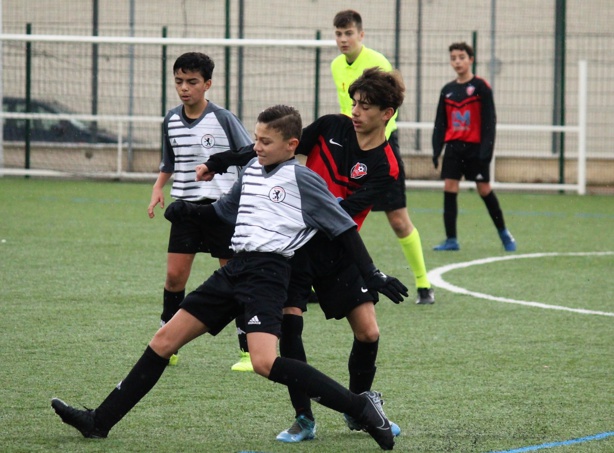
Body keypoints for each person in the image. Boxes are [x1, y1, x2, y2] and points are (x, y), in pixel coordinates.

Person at [51, 104, 400, 451]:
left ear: (292, 145)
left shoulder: (303, 179)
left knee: (264, 362)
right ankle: (99, 422)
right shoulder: (250, 172)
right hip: (234, 269)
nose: (257, 147)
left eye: (265, 142)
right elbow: (221, 214)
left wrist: (372, 274)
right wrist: (189, 211)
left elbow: (344, 229)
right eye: (256, 139)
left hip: (268, 274)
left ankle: (360, 408)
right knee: (163, 341)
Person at [196, 67, 411, 442]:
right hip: (291, 247)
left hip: (338, 250)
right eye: (355, 102)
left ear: (386, 114)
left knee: (369, 332)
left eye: (365, 106)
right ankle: (304, 419)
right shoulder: (331, 126)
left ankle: (359, 406)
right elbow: (279, 143)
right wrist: (219, 162)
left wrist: (372, 273)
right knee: (290, 329)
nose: (355, 110)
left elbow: (340, 215)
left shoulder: (386, 164)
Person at [146, 52, 253, 368]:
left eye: (192, 82)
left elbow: (248, 154)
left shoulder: (223, 118)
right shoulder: (170, 119)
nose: (184, 88)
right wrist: (157, 188)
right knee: (174, 277)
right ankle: (168, 343)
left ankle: (248, 348)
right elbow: (170, 161)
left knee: (233, 276)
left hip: (222, 211)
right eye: (179, 81)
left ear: (207, 84)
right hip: (185, 209)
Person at [331, 9, 434, 305]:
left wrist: (372, 150)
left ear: (361, 35)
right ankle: (322, 281)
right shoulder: (336, 65)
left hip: (381, 146)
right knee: (338, 215)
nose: (343, 39)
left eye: (348, 33)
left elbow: (389, 113)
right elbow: (345, 110)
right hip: (349, 148)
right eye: (338, 34)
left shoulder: (378, 63)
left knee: (399, 220)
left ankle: (423, 283)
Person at [431, 42, 516, 252]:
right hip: (453, 148)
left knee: (484, 189)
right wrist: (436, 149)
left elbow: (489, 121)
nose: (457, 61)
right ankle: (451, 240)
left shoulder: (480, 87)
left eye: (461, 57)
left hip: (475, 149)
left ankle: (504, 234)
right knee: (449, 188)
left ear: (471, 59)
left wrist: (486, 151)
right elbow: (440, 123)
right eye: (453, 58)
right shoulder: (447, 90)